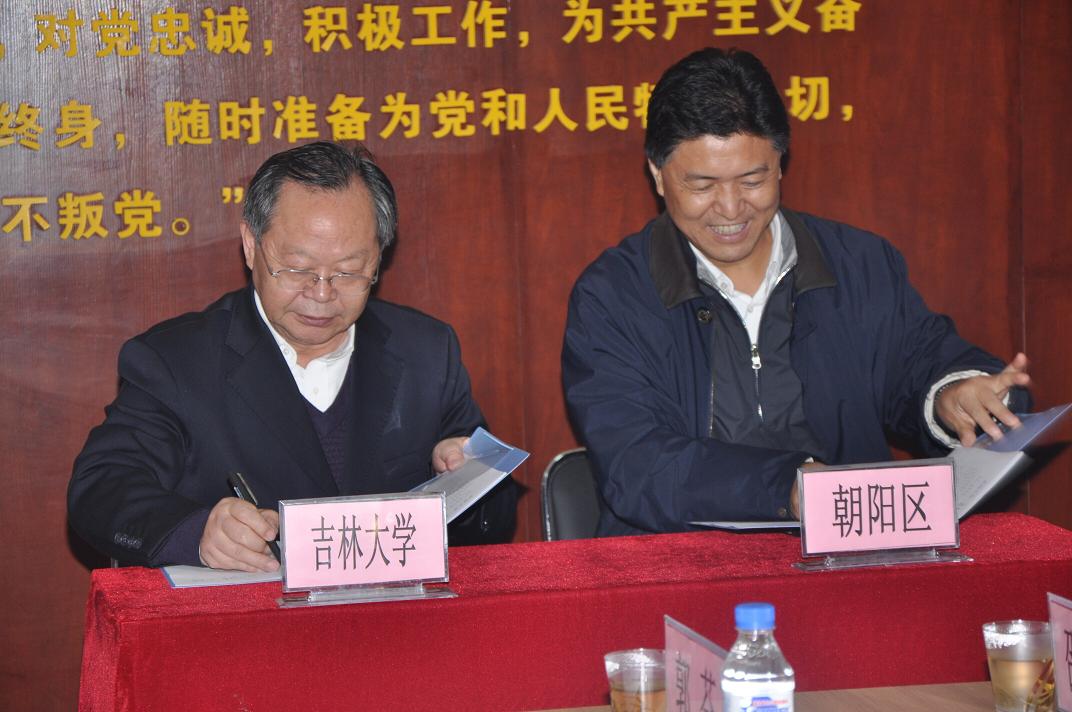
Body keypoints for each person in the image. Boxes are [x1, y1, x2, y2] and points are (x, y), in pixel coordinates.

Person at [561, 48, 1031, 537]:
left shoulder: (859, 264)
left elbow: (918, 362)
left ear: (780, 164)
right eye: (702, 185)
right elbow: (637, 464)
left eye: (753, 179)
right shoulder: (613, 295)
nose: (730, 209)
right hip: (680, 562)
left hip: (850, 555)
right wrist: (785, 486)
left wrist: (954, 393)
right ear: (658, 175)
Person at [69, 141, 516, 570]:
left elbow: (494, 518)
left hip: (394, 615)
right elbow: (102, 488)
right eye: (298, 268)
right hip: (243, 616)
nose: (321, 294)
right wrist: (198, 533)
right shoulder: (175, 361)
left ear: (378, 260)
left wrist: (464, 475)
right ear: (251, 244)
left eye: (348, 272)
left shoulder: (426, 352)